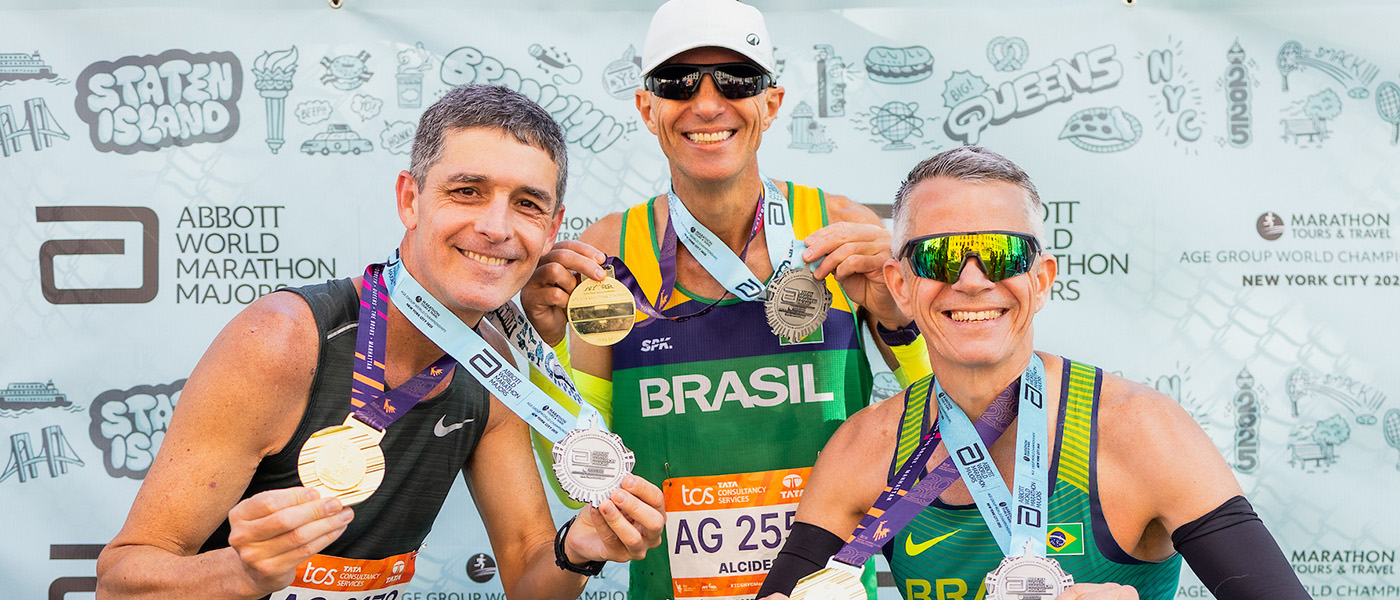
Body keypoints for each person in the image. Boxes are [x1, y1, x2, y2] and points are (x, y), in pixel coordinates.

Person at [95, 84, 665, 600]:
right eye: (467, 191)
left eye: (527, 204)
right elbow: (120, 582)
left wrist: (576, 548)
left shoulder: (494, 367)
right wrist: (243, 574)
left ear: (552, 227)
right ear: (410, 200)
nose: (496, 227)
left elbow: (528, 577)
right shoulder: (283, 340)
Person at [757, 146, 1310, 600]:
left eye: (1002, 255)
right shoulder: (865, 448)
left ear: (1041, 280)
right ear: (901, 286)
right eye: (938, 257)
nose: (972, 280)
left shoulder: (1140, 431)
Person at [520, 0, 931, 597]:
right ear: (648, 108)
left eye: (737, 80)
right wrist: (547, 346)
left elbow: (952, 427)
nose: (708, 104)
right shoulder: (609, 252)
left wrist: (898, 319)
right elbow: (578, 480)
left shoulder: (840, 231)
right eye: (678, 82)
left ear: (772, 103)